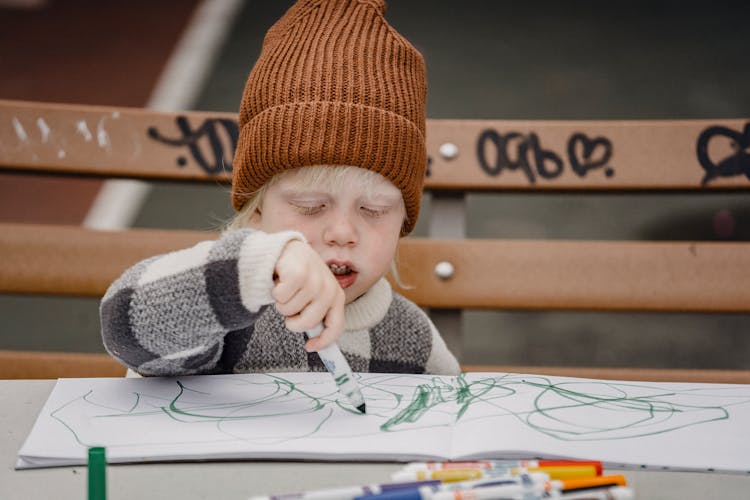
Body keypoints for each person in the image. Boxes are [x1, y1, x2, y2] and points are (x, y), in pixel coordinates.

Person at [100, 0, 460, 376]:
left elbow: (454, 423)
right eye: (310, 205)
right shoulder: (222, 315)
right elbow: (124, 326)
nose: (342, 233)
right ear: (256, 211)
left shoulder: (414, 339)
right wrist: (250, 268)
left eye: (374, 210)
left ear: (403, 219)